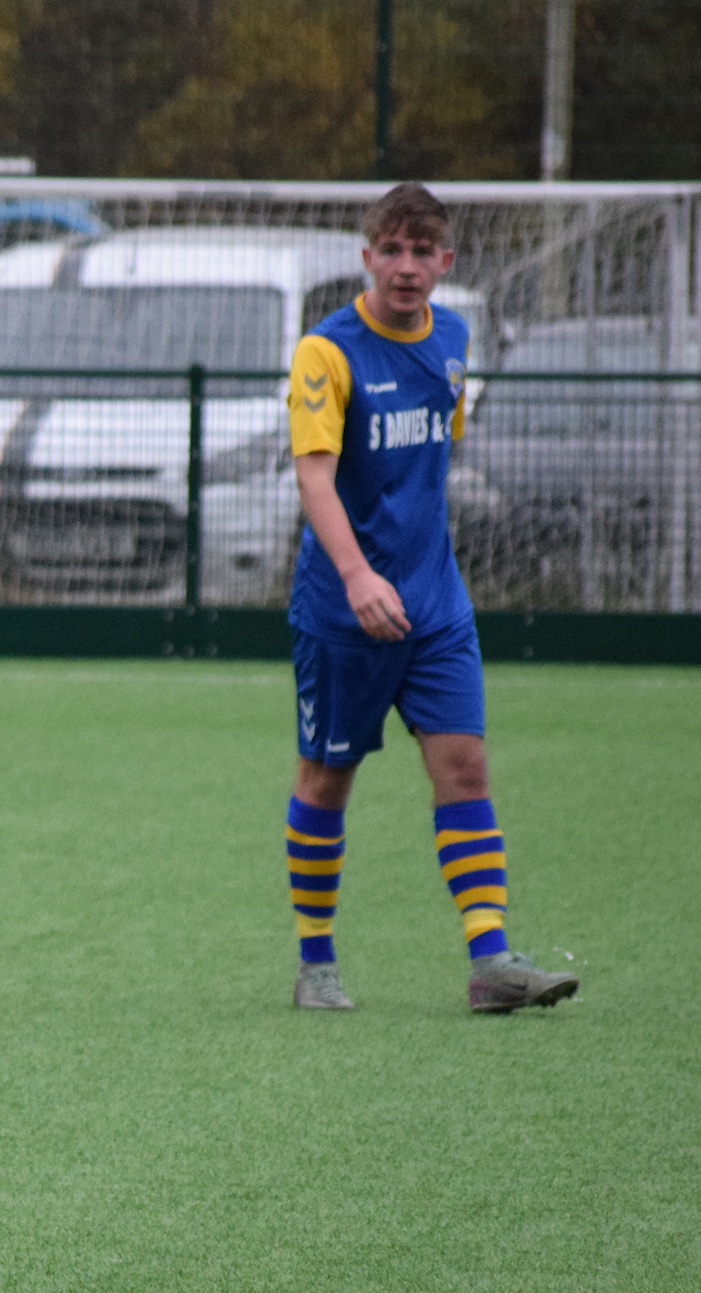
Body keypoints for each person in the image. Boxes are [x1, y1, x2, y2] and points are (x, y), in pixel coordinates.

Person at [283, 182, 576, 1015]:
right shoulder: (326, 352)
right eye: (392, 249)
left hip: (436, 605)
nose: (407, 267)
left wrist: (416, 568)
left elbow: (438, 451)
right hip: (344, 612)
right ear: (366, 255)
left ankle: (491, 963)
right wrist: (358, 575)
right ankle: (316, 966)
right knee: (325, 778)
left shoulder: (454, 336)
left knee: (465, 765)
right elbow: (314, 475)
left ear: (446, 262)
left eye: (424, 252)